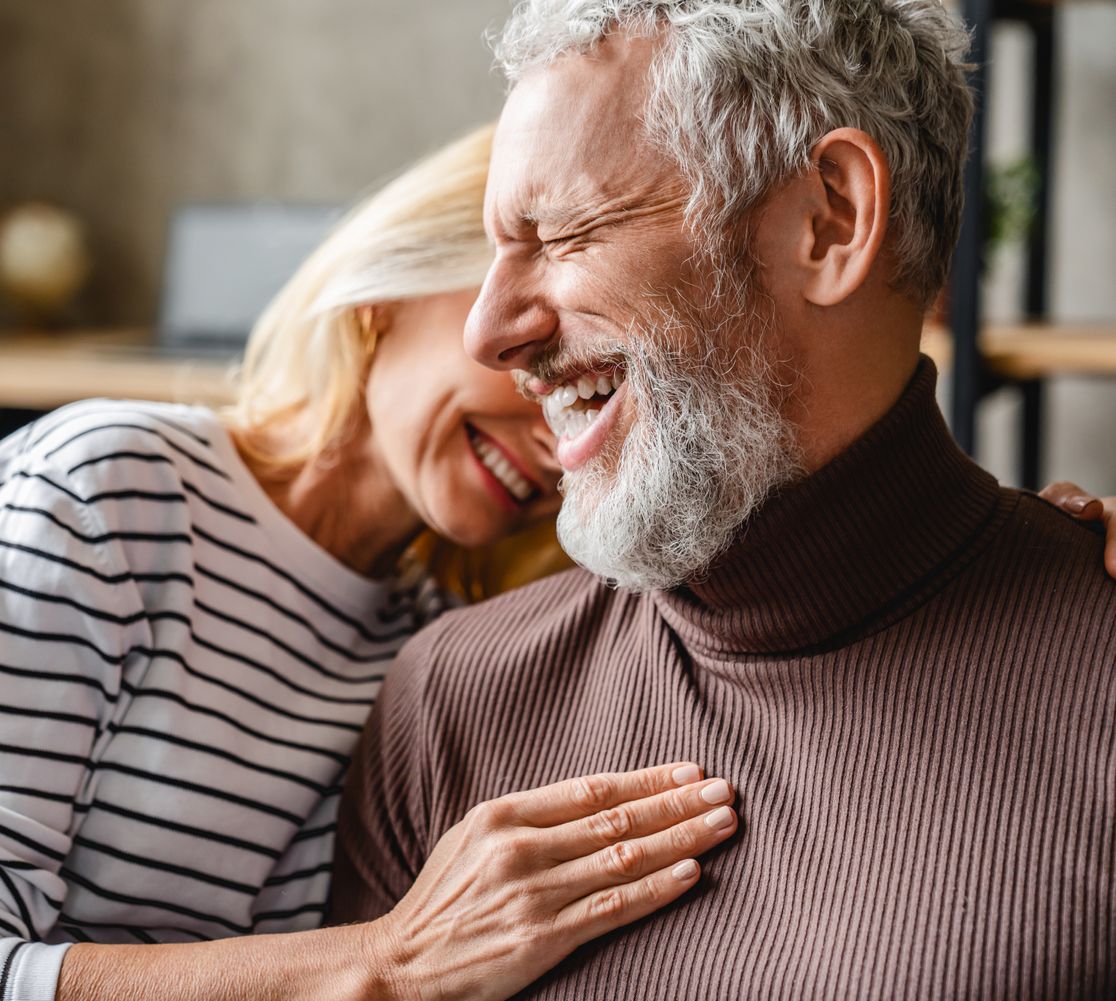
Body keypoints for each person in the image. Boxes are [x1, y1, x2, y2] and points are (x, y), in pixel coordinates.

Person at [0, 125, 745, 1001]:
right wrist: (385, 962)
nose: (552, 425)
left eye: (595, 393)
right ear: (393, 287)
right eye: (532, 357)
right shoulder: (111, 489)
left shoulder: (428, 645)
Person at [331, 2, 1116, 999]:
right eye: (496, 249)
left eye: (563, 233)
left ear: (829, 220)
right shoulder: (453, 701)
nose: (489, 331)